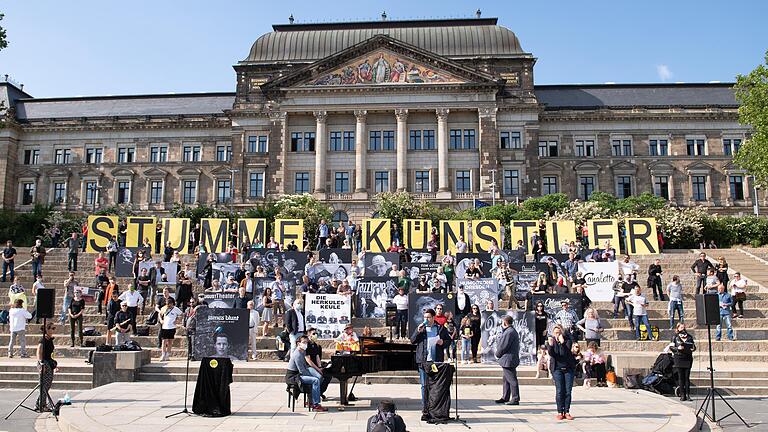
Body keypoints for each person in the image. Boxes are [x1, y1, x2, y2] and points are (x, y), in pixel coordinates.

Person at [410, 308, 451, 422]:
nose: (426, 319)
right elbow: (412, 340)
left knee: (435, 386)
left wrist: (443, 342)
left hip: (436, 361)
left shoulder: (440, 328)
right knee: (424, 386)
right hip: (423, 362)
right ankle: (425, 410)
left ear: (433, 318)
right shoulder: (421, 329)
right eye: (425, 317)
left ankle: (434, 410)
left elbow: (448, 341)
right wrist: (417, 331)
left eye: (428, 317)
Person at [285, 335, 327, 412]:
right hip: (294, 377)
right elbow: (301, 371)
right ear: (298, 343)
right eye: (304, 342)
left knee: (319, 376)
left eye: (306, 342)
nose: (306, 344)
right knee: (315, 380)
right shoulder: (297, 354)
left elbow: (305, 366)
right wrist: (311, 375)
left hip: (300, 373)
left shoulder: (303, 351)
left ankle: (312, 400)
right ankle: (315, 404)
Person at [547, 324, 576, 421]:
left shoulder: (567, 340)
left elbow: (565, 353)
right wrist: (551, 346)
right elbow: (552, 355)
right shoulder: (552, 341)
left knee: (568, 391)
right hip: (557, 369)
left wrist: (562, 343)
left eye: (558, 332)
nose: (557, 334)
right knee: (559, 391)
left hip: (568, 368)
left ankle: (567, 411)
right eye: (555, 333)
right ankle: (560, 411)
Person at [494, 315, 521, 405]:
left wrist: (497, 354)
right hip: (508, 359)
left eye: (502, 322)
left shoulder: (509, 332)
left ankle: (515, 398)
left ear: (505, 323)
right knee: (506, 379)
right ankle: (505, 397)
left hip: (508, 359)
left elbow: (503, 346)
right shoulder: (509, 331)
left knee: (512, 379)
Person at [670, 323, 696, 401]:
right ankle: (682, 395)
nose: (683, 329)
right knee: (681, 377)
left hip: (687, 358)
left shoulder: (689, 337)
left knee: (687, 377)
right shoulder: (675, 337)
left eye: (684, 327)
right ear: (678, 328)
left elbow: (693, 346)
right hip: (679, 358)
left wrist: (693, 349)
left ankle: (688, 394)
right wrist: (678, 348)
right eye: (681, 327)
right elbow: (671, 347)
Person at [37, 322, 58, 412]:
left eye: (54, 328)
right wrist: (41, 364)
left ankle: (40, 404)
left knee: (47, 385)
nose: (54, 330)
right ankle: (41, 404)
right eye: (52, 328)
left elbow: (51, 353)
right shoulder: (43, 339)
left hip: (49, 363)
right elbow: (39, 352)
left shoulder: (49, 339)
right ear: (47, 329)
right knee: (44, 385)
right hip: (44, 363)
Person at [305, 328, 332, 398]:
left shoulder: (316, 345)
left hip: (316, 366)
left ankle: (319, 392)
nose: (315, 335)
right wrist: (318, 369)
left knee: (328, 375)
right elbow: (308, 360)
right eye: (313, 334)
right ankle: (312, 396)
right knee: (318, 377)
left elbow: (317, 357)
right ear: (308, 335)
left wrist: (320, 367)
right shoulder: (306, 345)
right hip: (308, 366)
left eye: (316, 334)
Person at [159, 297, 183, 361]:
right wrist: (161, 320)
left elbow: (181, 314)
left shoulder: (175, 309)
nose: (168, 306)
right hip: (164, 327)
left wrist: (178, 320)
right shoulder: (164, 308)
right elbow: (160, 314)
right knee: (164, 341)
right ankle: (163, 354)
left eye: (169, 304)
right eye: (167, 304)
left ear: (172, 304)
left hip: (172, 327)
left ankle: (167, 355)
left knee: (170, 342)